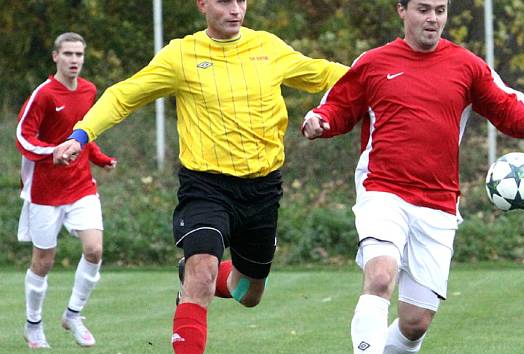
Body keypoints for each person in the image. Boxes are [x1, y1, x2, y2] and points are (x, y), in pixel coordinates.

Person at [52, 1, 347, 352]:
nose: (236, 9)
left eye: (241, 0)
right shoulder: (181, 55)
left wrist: (385, 79)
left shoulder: (267, 47)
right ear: (203, 5)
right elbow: (123, 96)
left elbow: (330, 74)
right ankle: (195, 276)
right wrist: (81, 134)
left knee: (248, 293)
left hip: (262, 189)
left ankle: (201, 272)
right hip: (206, 187)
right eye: (224, 1)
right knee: (201, 273)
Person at [302, 0, 524, 352]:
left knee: (415, 324)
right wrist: (322, 120)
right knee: (380, 276)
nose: (433, 18)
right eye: (423, 9)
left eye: (440, 10)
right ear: (402, 11)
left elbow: (505, 103)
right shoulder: (374, 62)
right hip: (383, 190)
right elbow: (339, 105)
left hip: (438, 202)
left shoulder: (466, 65)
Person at [16, 32, 117, 349]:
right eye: (69, 54)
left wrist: (100, 159)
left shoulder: (88, 91)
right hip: (45, 192)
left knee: (95, 250)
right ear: (55, 57)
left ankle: (73, 314)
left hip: (81, 186)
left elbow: (83, 134)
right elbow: (23, 137)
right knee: (43, 261)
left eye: (79, 54)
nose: (75, 60)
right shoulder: (44, 95)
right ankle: (33, 325)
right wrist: (53, 152)